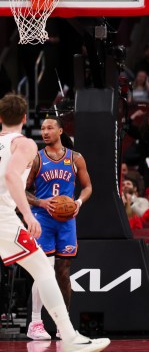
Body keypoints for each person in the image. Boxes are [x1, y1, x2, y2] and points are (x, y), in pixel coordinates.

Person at [0, 94, 109, 352]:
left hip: (50, 221)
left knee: (50, 269)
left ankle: (65, 333)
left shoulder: (73, 157)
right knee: (45, 271)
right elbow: (11, 176)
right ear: (25, 118)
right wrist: (28, 214)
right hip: (7, 219)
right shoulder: (24, 144)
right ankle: (68, 336)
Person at [25, 117, 93, 340]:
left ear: (60, 131)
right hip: (42, 219)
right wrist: (41, 202)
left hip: (66, 221)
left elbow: (88, 187)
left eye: (49, 128)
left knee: (63, 273)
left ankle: (64, 325)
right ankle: (35, 322)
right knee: (42, 270)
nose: (44, 132)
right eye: (42, 128)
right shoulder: (37, 158)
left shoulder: (75, 158)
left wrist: (78, 203)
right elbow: (23, 191)